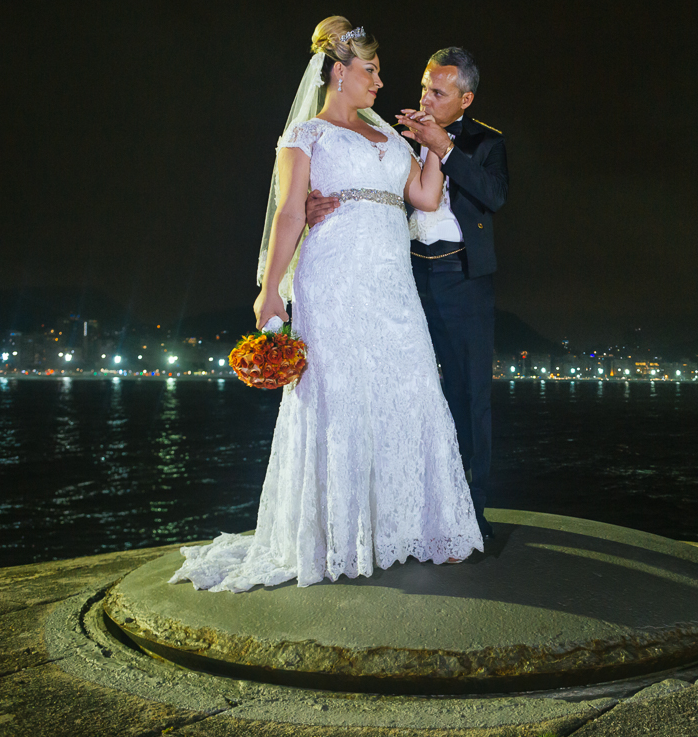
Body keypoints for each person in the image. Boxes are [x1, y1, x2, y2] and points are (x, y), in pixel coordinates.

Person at [169, 17, 483, 593]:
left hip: (392, 284)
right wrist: (269, 289)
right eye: (372, 71)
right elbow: (290, 213)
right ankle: (338, 535)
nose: (381, 82)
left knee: (411, 389)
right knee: (338, 400)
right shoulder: (304, 138)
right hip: (332, 279)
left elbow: (424, 196)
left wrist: (436, 145)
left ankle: (422, 528)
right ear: (339, 73)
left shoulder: (389, 136)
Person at [306, 47, 508, 539]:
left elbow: (494, 195)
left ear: (465, 100)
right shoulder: (393, 138)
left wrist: (445, 147)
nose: (425, 99)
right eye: (423, 88)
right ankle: (409, 509)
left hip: (462, 277)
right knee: (407, 392)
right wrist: (318, 200)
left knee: (468, 394)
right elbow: (365, 186)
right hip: (404, 276)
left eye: (438, 93)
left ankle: (470, 514)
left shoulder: (485, 142)